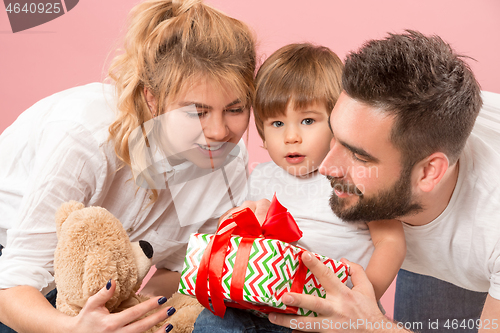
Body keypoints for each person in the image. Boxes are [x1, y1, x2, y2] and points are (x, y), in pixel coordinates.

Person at [0, 0, 256, 332]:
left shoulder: (227, 164)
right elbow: (11, 286)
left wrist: (137, 314)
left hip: (95, 282)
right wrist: (76, 329)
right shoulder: (83, 138)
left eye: (235, 109)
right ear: (153, 98)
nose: (220, 132)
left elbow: (180, 267)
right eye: (197, 112)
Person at [261, 30, 500, 333]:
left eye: (359, 157)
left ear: (428, 172)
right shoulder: (380, 121)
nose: (325, 168)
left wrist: (372, 326)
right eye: (335, 135)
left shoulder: (491, 222)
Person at [193, 43, 406, 333]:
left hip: (331, 312)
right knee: (213, 319)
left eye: (307, 120)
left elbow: (390, 242)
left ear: (339, 125)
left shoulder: (353, 177)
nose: (291, 136)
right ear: (263, 137)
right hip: (265, 303)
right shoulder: (260, 177)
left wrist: (364, 299)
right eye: (277, 123)